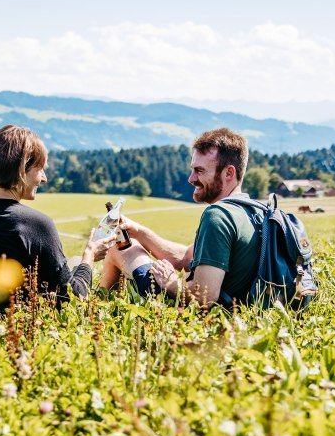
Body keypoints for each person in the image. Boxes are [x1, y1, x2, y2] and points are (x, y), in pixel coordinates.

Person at [0, 125, 115, 308]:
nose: (44, 178)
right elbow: (72, 298)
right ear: (21, 170)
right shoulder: (37, 224)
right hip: (26, 324)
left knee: (72, 262)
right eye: (40, 169)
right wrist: (90, 255)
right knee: (78, 262)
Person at [100, 128, 261, 308]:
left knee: (118, 247)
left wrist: (170, 283)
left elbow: (204, 297)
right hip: (244, 311)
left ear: (228, 173)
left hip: (206, 317)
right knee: (128, 243)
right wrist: (138, 232)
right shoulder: (253, 212)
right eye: (193, 169)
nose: (191, 179)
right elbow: (185, 258)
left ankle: (100, 309)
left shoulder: (218, 216)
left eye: (199, 170)